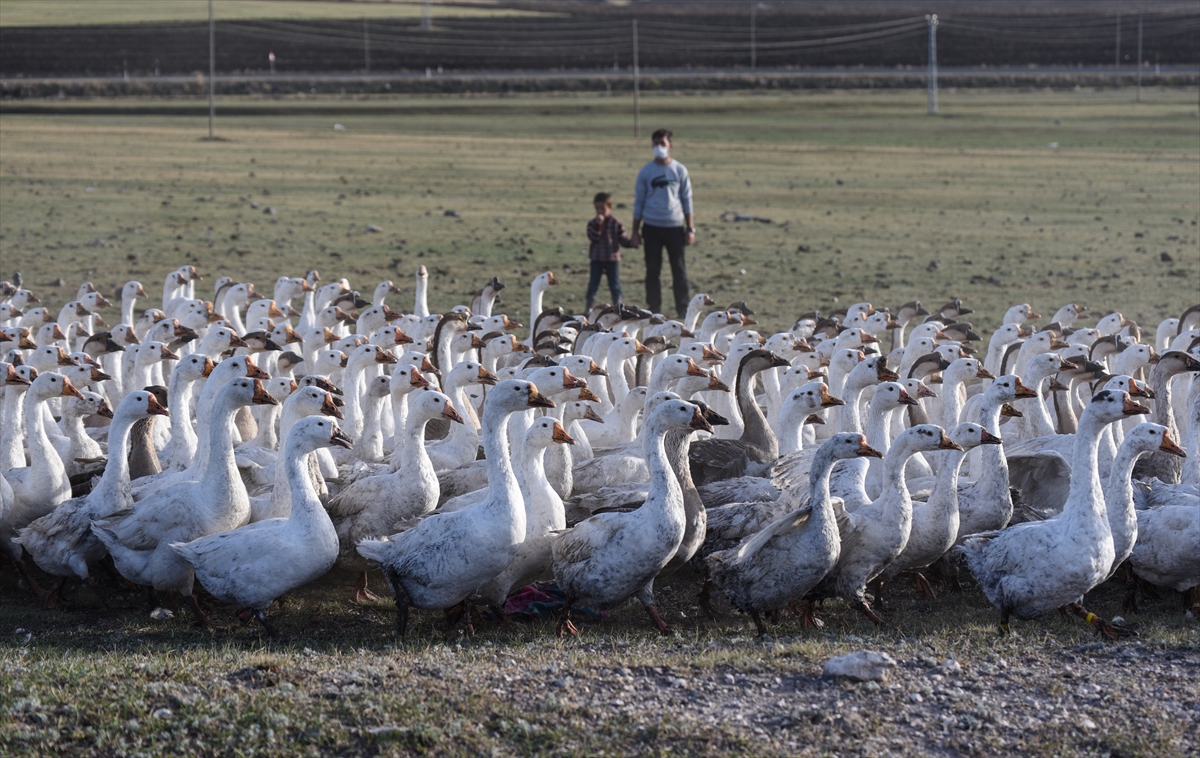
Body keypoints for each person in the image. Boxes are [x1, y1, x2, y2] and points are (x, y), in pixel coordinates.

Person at [631, 128, 694, 319]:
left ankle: (683, 308)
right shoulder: (646, 172)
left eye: (663, 143)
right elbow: (639, 201)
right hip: (651, 226)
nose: (659, 147)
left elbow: (687, 200)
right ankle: (654, 308)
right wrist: (635, 231)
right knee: (652, 269)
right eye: (656, 143)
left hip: (675, 226)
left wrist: (690, 228)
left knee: (679, 269)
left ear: (670, 146)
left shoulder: (679, 170)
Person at [584, 192, 633, 314]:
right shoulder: (592, 223)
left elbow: (623, 239)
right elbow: (593, 237)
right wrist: (598, 226)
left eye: (602, 208)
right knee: (593, 284)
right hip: (597, 259)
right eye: (597, 208)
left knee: (615, 285)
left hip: (612, 259)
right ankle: (589, 309)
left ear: (610, 207)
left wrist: (633, 242)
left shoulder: (616, 223)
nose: (599, 211)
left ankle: (618, 308)